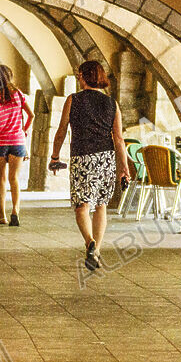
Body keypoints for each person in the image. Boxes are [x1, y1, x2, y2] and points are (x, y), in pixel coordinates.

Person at [49, 61, 130, 271]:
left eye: (79, 75)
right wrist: (124, 167)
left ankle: (89, 242)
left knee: (81, 205)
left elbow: (61, 130)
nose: (78, 79)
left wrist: (55, 156)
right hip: (105, 158)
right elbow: (119, 139)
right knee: (101, 204)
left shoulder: (73, 100)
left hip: (82, 157)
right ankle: (98, 249)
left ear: (83, 77)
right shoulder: (112, 104)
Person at [0, 64, 32, 226]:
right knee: (14, 178)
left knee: (1, 178)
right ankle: (15, 210)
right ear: (9, 77)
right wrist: (23, 129)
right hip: (17, 141)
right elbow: (31, 115)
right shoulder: (18, 95)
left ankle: (2, 215)